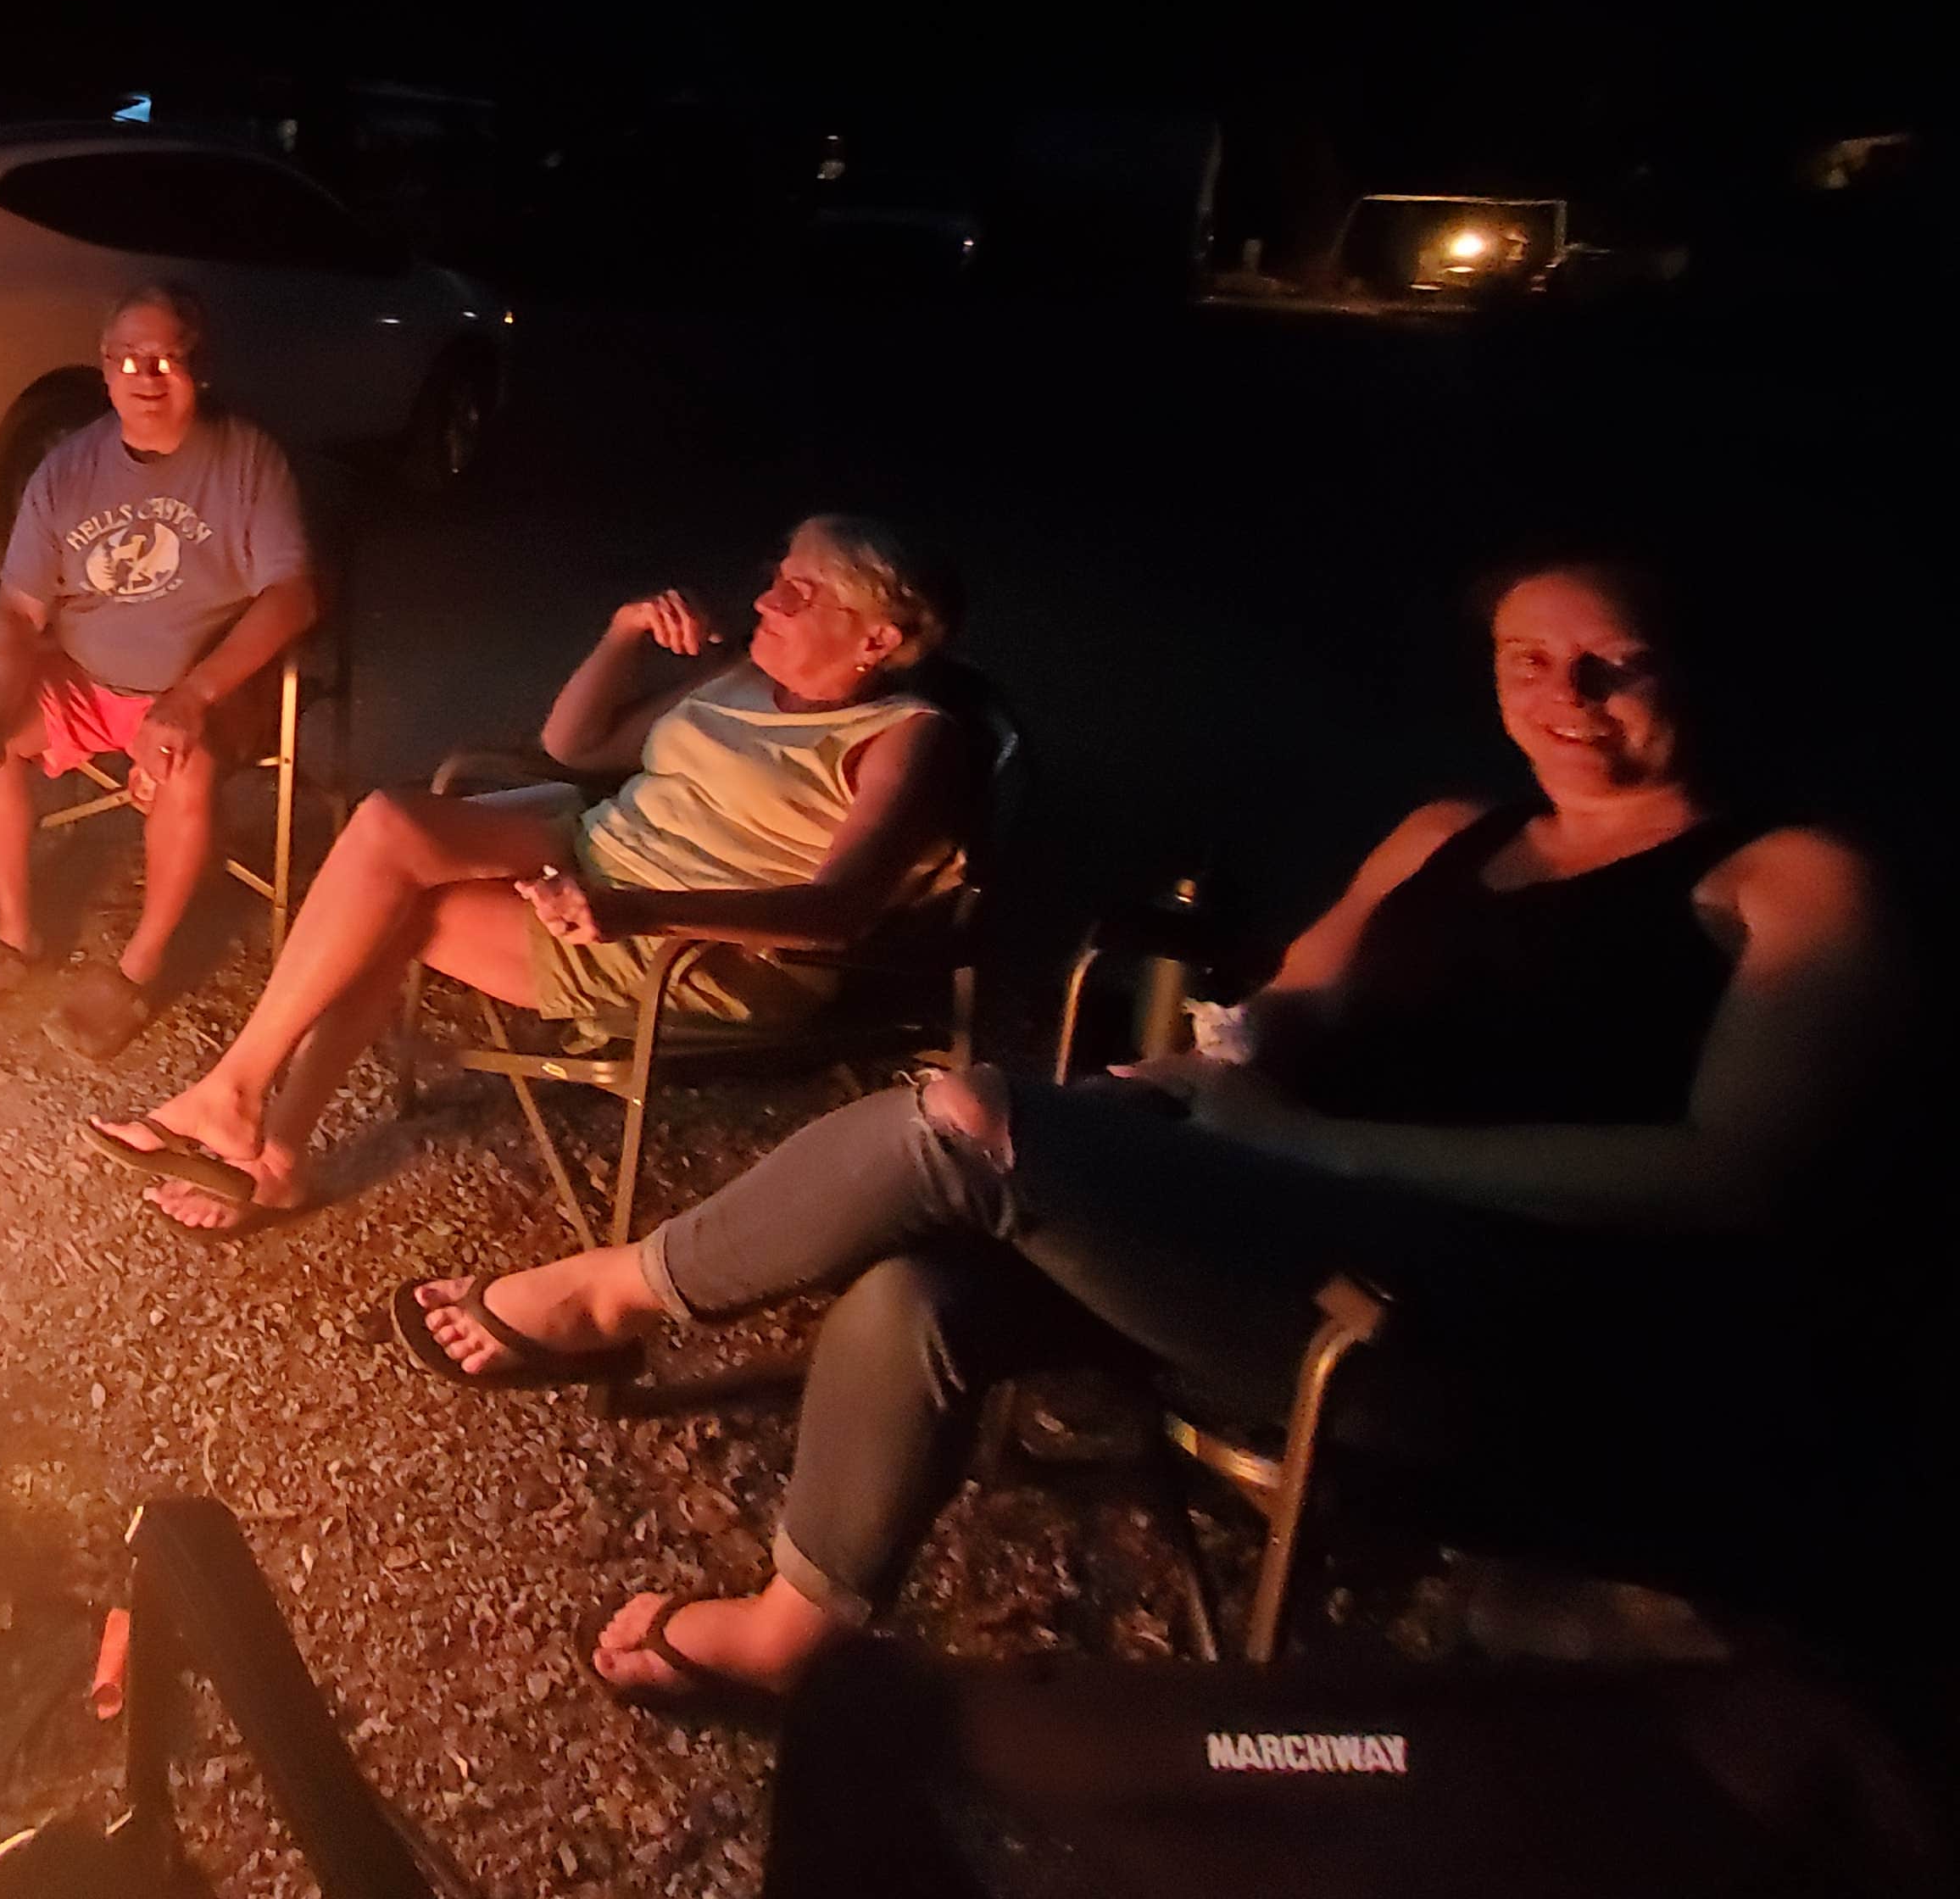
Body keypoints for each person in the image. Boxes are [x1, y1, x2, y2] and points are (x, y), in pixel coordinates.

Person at [393, 552, 1900, 1707]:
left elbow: (1729, 1174)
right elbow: (1286, 1007)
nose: (1563, 696)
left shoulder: (1789, 881)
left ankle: (604, 1293)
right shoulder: (1452, 833)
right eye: (1526, 659)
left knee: (963, 1123)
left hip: (1477, 1319)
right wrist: (1186, 1082)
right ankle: (796, 1628)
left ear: (1691, 668)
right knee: (919, 1281)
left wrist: (1334, 1152)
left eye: (1610, 664)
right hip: (1275, 1221)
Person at [92, 515, 975, 1229]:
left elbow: (837, 911)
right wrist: (626, 629)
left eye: (798, 590)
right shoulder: (747, 674)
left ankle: (262, 1137)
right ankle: (244, 1112)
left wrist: (634, 910)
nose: (766, 599)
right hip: (595, 846)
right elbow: (575, 746)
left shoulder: (903, 736)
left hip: (692, 942)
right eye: (777, 574)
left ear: (878, 637)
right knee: (387, 825)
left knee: (396, 909)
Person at [0, 284, 321, 1058]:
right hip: (86, 678)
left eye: (165, 359)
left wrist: (191, 695)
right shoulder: (67, 469)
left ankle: (136, 970)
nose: (146, 377)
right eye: (125, 360)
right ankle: (14, 937)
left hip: (206, 689)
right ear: (104, 372)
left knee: (187, 767)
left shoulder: (248, 459)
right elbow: (18, 611)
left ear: (198, 369)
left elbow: (294, 595)